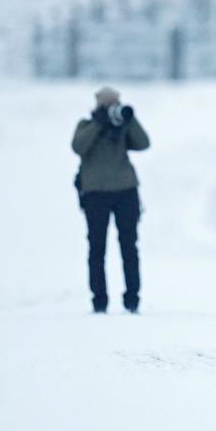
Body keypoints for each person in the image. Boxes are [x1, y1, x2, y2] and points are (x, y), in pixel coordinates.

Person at [72, 87, 150, 314]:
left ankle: (132, 298)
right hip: (96, 194)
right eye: (109, 105)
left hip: (126, 191)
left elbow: (144, 143)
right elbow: (78, 147)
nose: (113, 109)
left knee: (129, 246)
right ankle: (99, 300)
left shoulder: (123, 127)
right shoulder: (86, 126)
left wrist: (129, 120)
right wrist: (99, 123)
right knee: (97, 248)